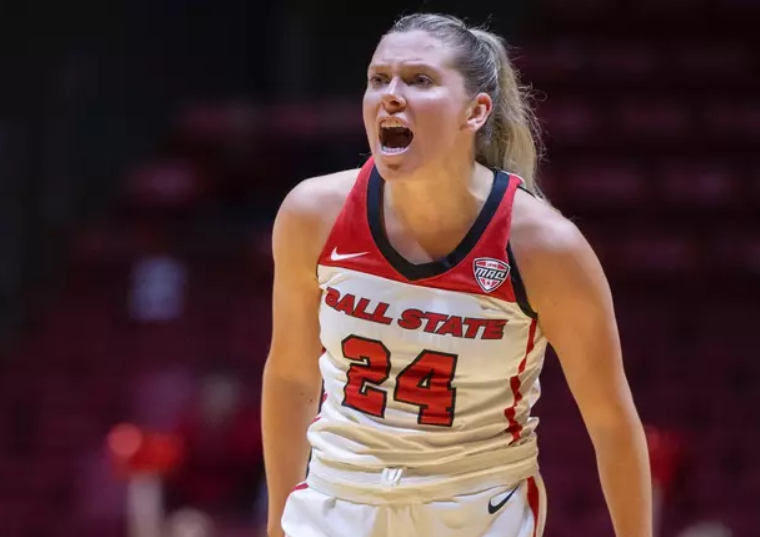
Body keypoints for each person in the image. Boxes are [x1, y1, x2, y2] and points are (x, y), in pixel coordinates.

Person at [262, 12, 652, 537]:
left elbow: (610, 421)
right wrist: (277, 520)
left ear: (476, 111)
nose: (391, 95)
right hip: (337, 499)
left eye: (419, 80)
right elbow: (290, 375)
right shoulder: (312, 213)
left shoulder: (545, 247)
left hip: (476, 506)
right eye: (379, 79)